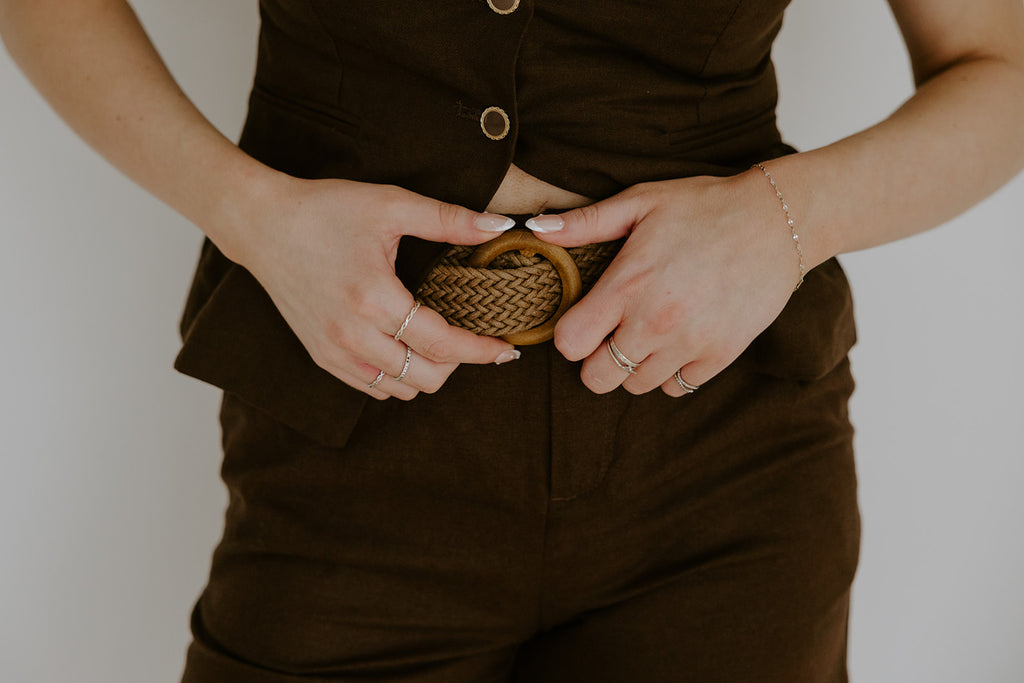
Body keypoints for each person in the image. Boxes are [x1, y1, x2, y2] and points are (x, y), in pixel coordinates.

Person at [2, 0, 1022, 680]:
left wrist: (786, 218)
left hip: (722, 463)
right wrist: (249, 211)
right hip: (343, 442)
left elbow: (1000, 66)